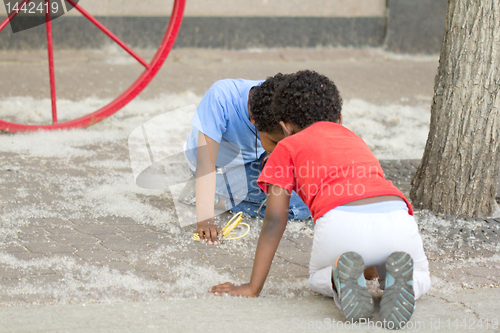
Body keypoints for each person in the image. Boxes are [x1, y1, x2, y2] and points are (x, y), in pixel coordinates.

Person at [209, 70, 431, 329]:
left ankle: (338, 279)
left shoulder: (286, 148)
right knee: (421, 275)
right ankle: (393, 279)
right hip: (397, 218)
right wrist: (370, 268)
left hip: (341, 224)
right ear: (339, 117)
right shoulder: (355, 140)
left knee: (317, 278)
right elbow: (372, 195)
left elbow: (275, 220)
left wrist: (252, 287)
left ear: (284, 126)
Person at [181, 74, 310, 245]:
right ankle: (207, 196)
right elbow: (206, 164)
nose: (281, 147)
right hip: (217, 168)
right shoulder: (221, 97)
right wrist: (206, 221)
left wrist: (270, 155)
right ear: (254, 120)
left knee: (311, 191)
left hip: (252, 161)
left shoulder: (279, 99)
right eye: (275, 142)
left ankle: (223, 195)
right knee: (297, 207)